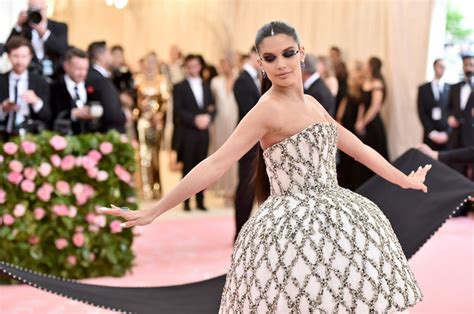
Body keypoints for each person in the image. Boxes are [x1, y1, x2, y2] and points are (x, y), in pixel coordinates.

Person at [101, 21, 430, 312]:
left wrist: (402, 179)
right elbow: (217, 163)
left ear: (302, 52)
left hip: (337, 215)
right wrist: (155, 209)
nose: (281, 64)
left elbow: (358, 148)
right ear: (259, 63)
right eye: (270, 58)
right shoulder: (266, 110)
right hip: (291, 229)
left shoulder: (313, 104)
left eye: (287, 53)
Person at [173, 54, 216, 211]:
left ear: (200, 66)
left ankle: (200, 201)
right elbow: (178, 111)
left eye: (195, 65)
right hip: (188, 132)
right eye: (190, 66)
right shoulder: (179, 87)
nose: (193, 69)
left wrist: (208, 117)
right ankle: (185, 201)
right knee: (188, 167)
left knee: (202, 166)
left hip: (204, 132)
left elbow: (212, 106)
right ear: (186, 67)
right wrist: (195, 119)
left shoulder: (206, 85)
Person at [232, 46, 261, 240]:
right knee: (245, 186)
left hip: (256, 141)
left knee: (251, 185)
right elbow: (248, 111)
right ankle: (240, 232)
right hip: (248, 141)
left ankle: (245, 231)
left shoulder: (254, 79)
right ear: (252, 55)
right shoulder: (243, 80)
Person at [0, 36, 50, 140]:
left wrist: (36, 101)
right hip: (4, 134)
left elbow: (48, 115)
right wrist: (3, 109)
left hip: (32, 135)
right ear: (9, 56)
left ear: (30, 56)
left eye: (23, 56)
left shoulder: (40, 81)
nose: (19, 61)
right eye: (15, 56)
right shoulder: (1, 80)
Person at [8, 0, 68, 80]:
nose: (36, 13)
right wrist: (18, 26)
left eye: (39, 10)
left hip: (54, 76)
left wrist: (43, 32)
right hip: (29, 76)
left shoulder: (60, 27)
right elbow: (8, 47)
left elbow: (63, 50)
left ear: (46, 9)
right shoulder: (24, 28)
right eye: (32, 10)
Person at [50, 47, 102, 134]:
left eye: (85, 69)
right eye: (78, 69)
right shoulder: (54, 88)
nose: (83, 73)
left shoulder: (93, 87)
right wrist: (73, 114)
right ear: (66, 66)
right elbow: (50, 116)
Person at [356, 56, 389, 184]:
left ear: (371, 66)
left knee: (374, 151)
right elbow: (362, 104)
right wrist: (358, 121)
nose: (364, 66)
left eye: (367, 64)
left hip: (373, 123)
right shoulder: (366, 82)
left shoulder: (377, 83)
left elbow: (375, 107)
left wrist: (363, 122)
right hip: (364, 121)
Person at [86, 41, 126, 133]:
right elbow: (110, 111)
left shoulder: (98, 76)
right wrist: (124, 115)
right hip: (107, 132)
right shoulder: (98, 78)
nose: (111, 56)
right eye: (108, 53)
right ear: (100, 56)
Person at [417, 59, 451, 150]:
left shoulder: (451, 88)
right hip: (430, 133)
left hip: (445, 135)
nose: (442, 69)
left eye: (444, 67)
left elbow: (452, 111)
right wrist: (431, 132)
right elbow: (421, 111)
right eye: (440, 66)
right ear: (434, 67)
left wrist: (448, 133)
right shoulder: (423, 88)